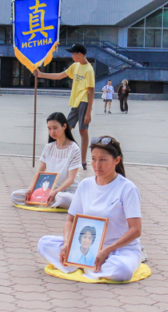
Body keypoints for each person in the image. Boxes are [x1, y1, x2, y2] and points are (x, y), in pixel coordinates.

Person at [38, 136, 143, 282]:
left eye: (103, 160)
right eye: (93, 159)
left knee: (122, 270)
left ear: (116, 161)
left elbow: (136, 230)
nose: (97, 165)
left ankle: (85, 265)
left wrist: (107, 250)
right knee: (44, 243)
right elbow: (70, 221)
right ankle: (88, 264)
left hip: (118, 250)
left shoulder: (127, 188)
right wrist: (68, 243)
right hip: (87, 246)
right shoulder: (85, 184)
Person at [33, 43, 94, 169]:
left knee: (83, 130)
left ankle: (83, 161)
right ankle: (61, 154)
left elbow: (91, 91)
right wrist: (41, 74)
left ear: (80, 54)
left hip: (84, 101)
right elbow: (60, 75)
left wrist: (88, 112)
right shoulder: (75, 66)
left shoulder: (89, 69)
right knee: (66, 129)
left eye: (73, 54)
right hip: (75, 102)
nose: (72, 56)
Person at [11, 112, 82, 209]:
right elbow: (40, 172)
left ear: (64, 126)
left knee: (63, 198)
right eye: (49, 128)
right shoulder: (48, 147)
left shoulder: (74, 149)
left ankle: (47, 200)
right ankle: (47, 200)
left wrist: (56, 192)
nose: (52, 131)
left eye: (55, 128)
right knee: (15, 195)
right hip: (47, 190)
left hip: (67, 191)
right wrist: (30, 189)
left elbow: (71, 179)